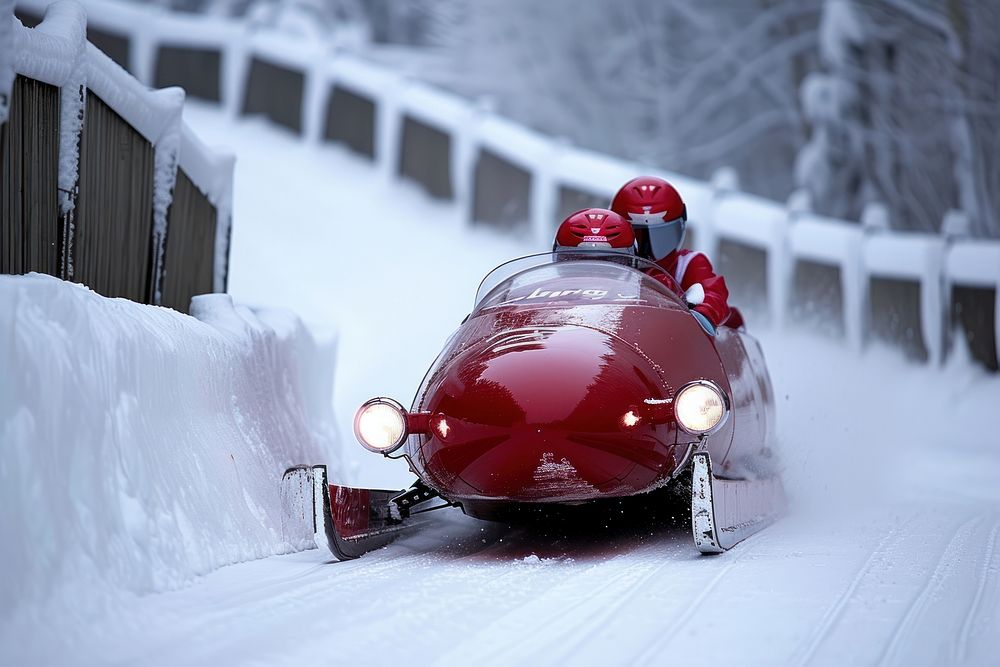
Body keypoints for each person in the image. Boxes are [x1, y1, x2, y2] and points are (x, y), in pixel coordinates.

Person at [610, 176, 731, 333]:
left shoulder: (688, 264)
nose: (648, 250)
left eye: (661, 237)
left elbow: (713, 292)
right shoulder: (610, 263)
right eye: (639, 237)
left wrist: (703, 313)